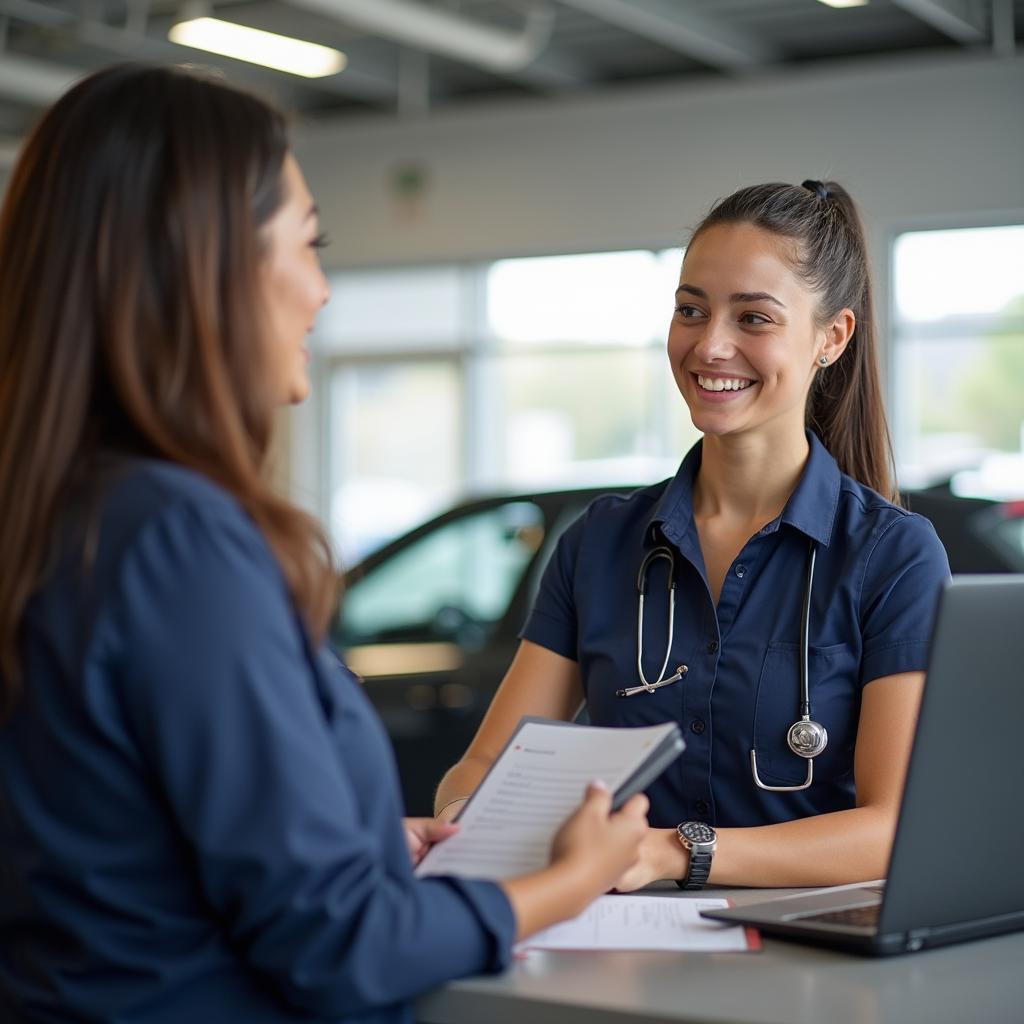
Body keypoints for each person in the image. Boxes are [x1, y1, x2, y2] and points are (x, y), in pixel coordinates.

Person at [0, 64, 650, 1024]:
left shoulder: (54, 513)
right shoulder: (178, 540)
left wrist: (356, 844)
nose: (322, 290)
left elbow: (108, 844)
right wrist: (569, 880)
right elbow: (346, 950)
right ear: (203, 262)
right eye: (308, 245)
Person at [435, 180, 951, 892]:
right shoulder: (600, 543)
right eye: (691, 310)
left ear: (831, 338)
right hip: (616, 955)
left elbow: (894, 828)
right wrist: (471, 823)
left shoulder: (891, 556)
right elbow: (482, 768)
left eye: (754, 318)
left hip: (809, 975)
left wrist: (678, 853)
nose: (711, 346)